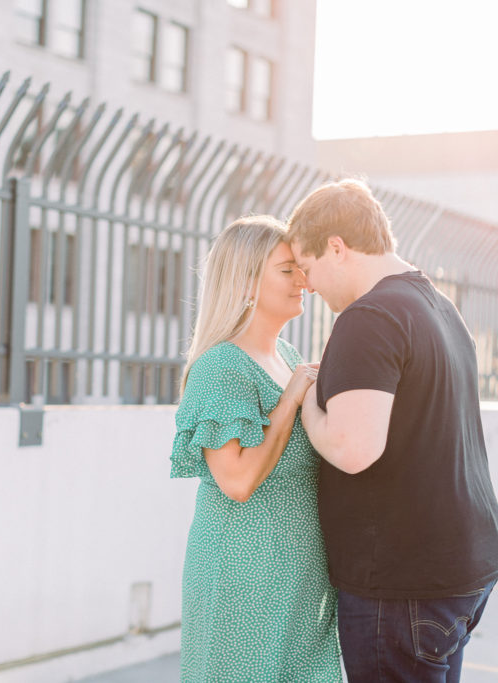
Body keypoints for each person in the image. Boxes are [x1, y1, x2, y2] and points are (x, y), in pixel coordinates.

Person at [287, 179, 498, 683]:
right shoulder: (440, 308)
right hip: (459, 566)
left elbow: (351, 446)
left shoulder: (370, 316)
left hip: (403, 584)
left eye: (309, 266)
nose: (308, 284)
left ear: (337, 248)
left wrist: (306, 409)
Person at [170, 216, 343, 682]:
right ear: (247, 281)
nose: (302, 281)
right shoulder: (221, 366)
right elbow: (238, 480)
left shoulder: (287, 357)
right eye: (287, 270)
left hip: (302, 576)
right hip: (245, 578)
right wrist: (290, 401)